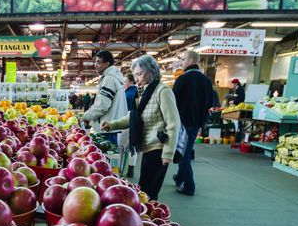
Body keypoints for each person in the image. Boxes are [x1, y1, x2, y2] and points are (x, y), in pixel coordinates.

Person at [102, 55, 180, 201]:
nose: (136, 78)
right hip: (149, 147)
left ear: (151, 72)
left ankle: (147, 219)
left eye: (139, 74)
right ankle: (147, 216)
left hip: (159, 148)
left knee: (147, 190)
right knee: (147, 189)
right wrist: (112, 125)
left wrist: (168, 153)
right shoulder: (143, 92)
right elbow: (132, 117)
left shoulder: (163, 91)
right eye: (135, 75)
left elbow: (173, 123)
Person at [172, 50, 214, 196]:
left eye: (183, 59)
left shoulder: (182, 79)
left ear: (190, 61)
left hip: (183, 123)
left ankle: (189, 186)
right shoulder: (207, 81)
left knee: (183, 153)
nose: (182, 62)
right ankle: (179, 177)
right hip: (196, 123)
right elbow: (210, 103)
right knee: (186, 149)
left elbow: (173, 102)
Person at [82, 50, 124, 142]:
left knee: (107, 154)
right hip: (110, 126)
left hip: (107, 128)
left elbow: (102, 105)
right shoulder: (114, 77)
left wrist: (86, 116)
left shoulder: (109, 79)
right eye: (95, 62)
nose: (95, 65)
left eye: (98, 62)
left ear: (107, 64)